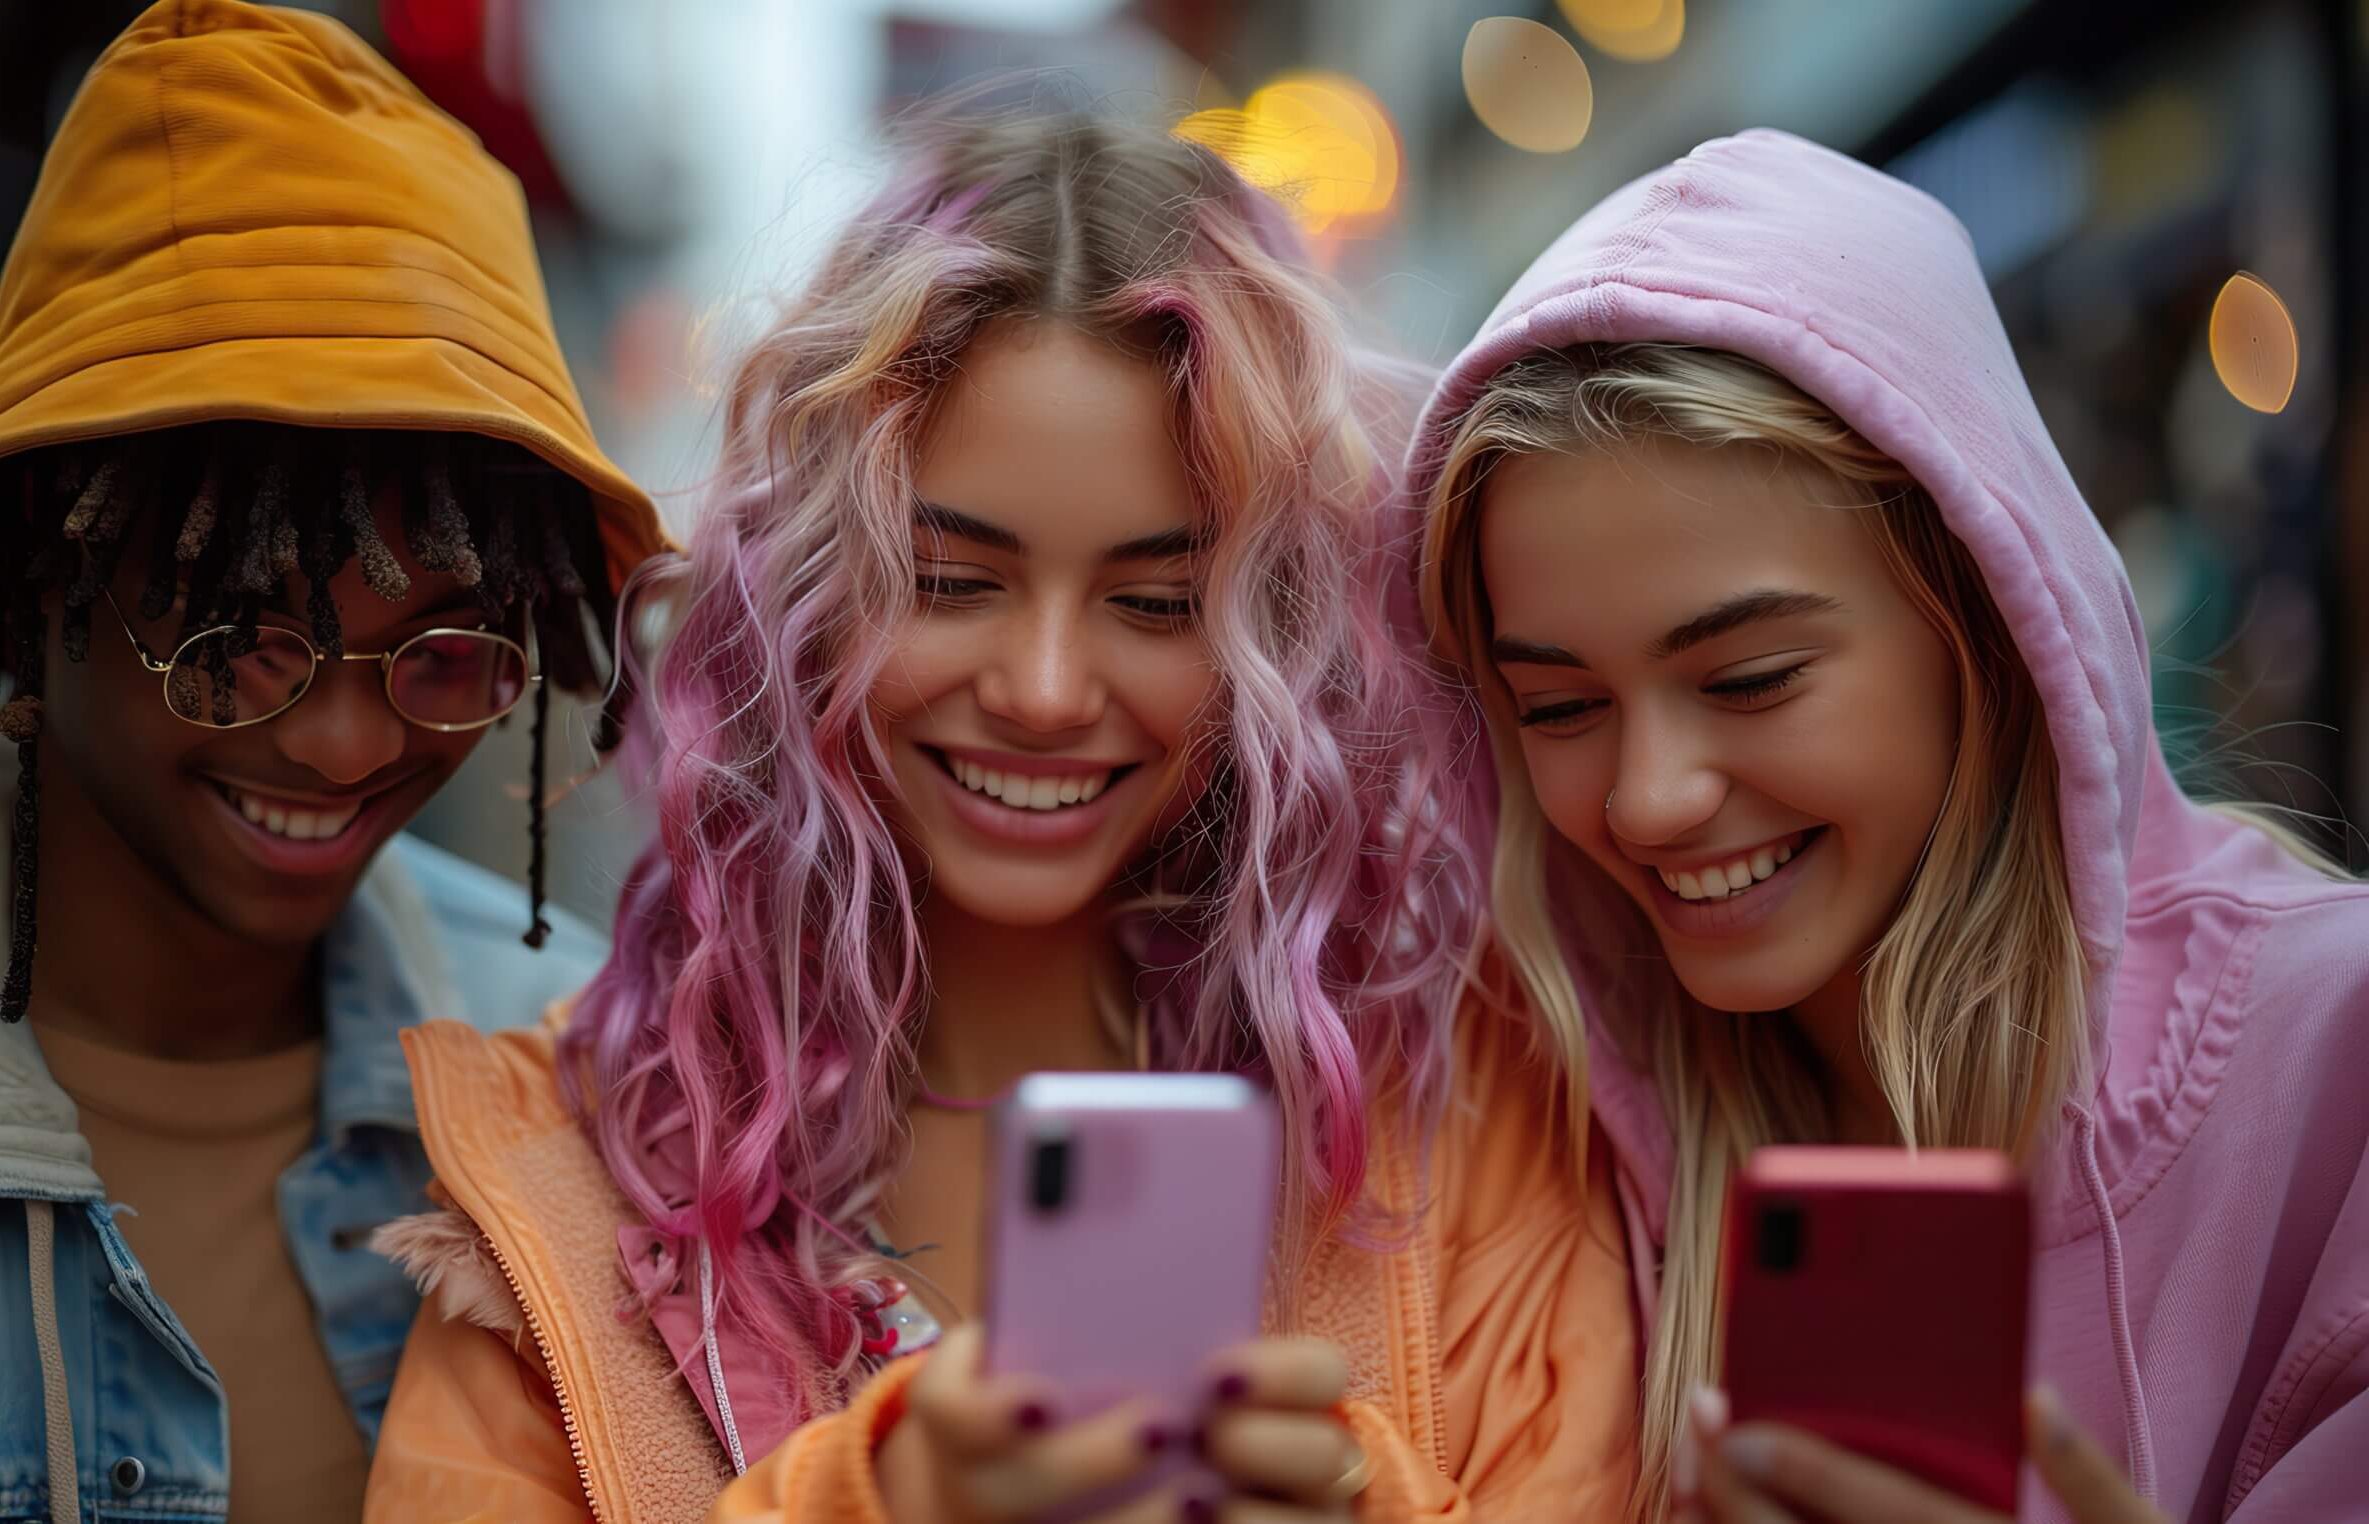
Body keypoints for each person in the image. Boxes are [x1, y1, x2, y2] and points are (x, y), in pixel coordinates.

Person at [363, 105, 1640, 1523]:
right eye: (951, 581)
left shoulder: (1471, 1106)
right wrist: (880, 1497)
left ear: (1278, 638)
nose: (1042, 691)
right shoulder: (567, 1168)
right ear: (808, 600)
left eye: (1158, 604)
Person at [1411, 128, 2369, 1523]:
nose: (1648, 798)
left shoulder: (2335, 1051)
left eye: (1750, 680)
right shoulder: (1537, 1135)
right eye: (1556, 706)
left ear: (1983, 618)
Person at [0, 4, 665, 1521]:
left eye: (443, 651)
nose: (344, 743)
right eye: (234, 641)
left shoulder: (593, 1081)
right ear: (36, 581)